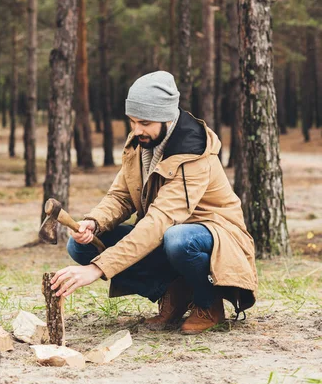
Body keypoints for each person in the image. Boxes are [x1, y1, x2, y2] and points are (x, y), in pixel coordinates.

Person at [50, 71, 257, 334]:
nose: (136, 130)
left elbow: (159, 222)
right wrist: (94, 222)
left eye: (144, 122)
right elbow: (121, 196)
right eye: (132, 121)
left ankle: (209, 303)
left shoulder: (194, 154)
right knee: (80, 247)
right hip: (166, 233)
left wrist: (98, 268)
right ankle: (174, 292)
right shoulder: (142, 142)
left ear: (167, 116)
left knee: (178, 239)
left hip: (215, 237)